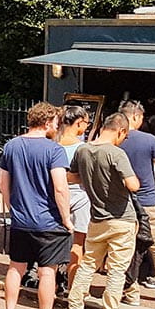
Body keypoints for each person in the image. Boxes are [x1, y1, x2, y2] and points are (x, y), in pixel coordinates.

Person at [0, 102, 72, 309]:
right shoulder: (54, 150)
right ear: (49, 122)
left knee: (15, 267)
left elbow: (3, 184)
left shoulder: (11, 146)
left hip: (21, 220)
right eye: (56, 122)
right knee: (47, 272)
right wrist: (67, 219)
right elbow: (60, 188)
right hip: (48, 221)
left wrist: (14, 208)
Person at [65, 113, 140, 309]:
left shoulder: (83, 149)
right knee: (117, 269)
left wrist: (92, 179)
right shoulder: (117, 153)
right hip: (122, 219)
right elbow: (133, 185)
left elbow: (73, 176)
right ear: (121, 131)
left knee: (88, 264)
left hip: (96, 218)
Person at [117, 101, 155, 304]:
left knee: (128, 248)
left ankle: (131, 292)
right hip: (148, 200)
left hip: (122, 202)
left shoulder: (115, 138)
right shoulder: (149, 141)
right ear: (136, 117)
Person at [56, 106, 92, 285]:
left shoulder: (53, 143)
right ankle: (72, 287)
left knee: (53, 242)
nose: (87, 126)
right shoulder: (83, 147)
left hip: (55, 195)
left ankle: (50, 284)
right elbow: (85, 176)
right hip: (80, 196)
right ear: (78, 123)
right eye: (86, 123)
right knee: (78, 243)